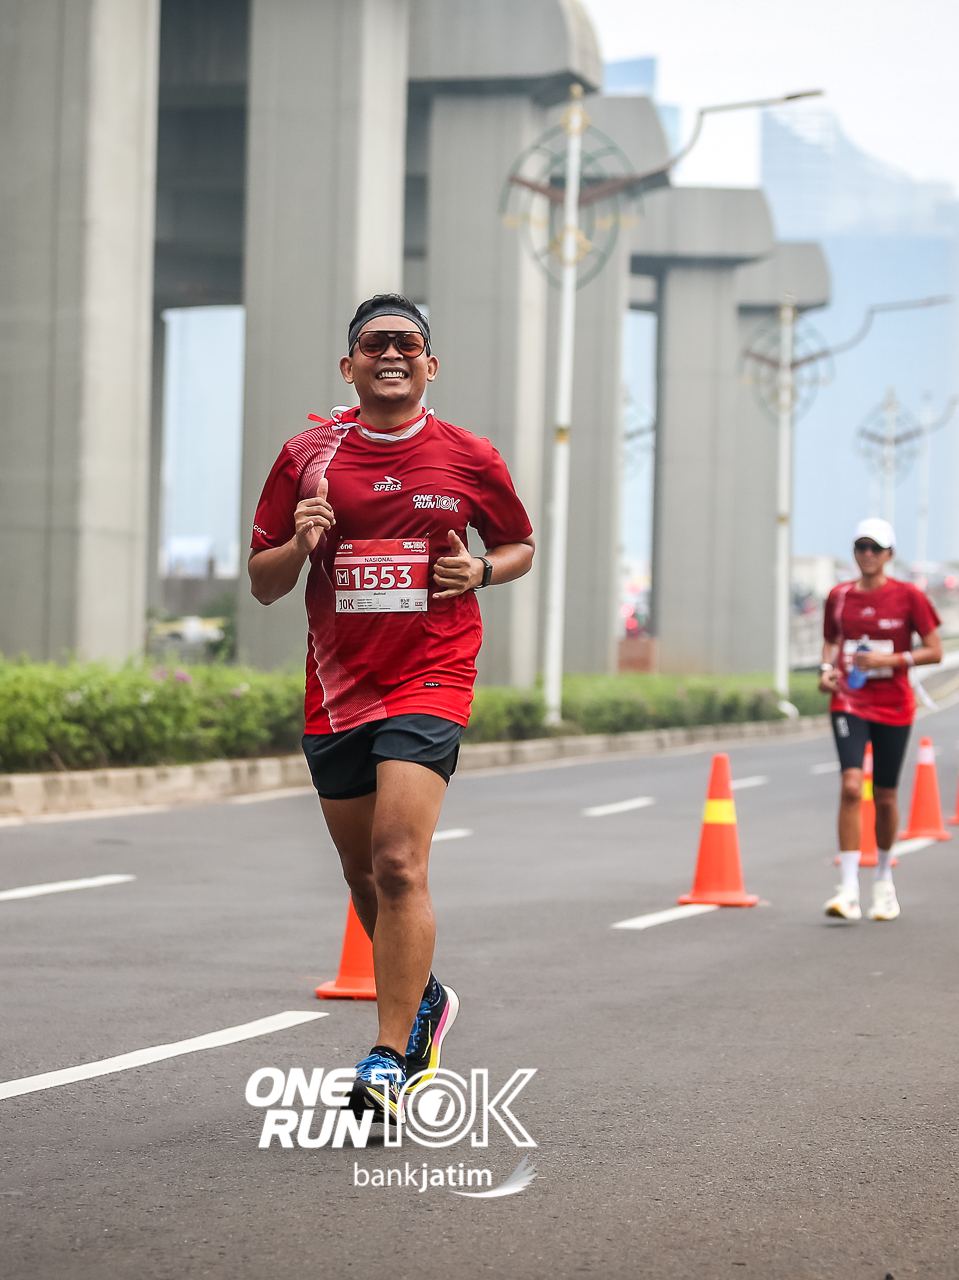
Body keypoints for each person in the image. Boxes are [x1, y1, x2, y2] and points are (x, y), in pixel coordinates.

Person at [248, 294, 534, 1122]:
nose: (392, 353)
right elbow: (263, 583)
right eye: (375, 343)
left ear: (430, 365)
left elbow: (518, 544)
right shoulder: (306, 456)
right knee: (362, 874)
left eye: (408, 342)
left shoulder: (469, 455)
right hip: (339, 688)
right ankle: (427, 996)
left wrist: (482, 572)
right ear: (350, 366)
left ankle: (389, 1051)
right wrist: (299, 544)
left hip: (431, 674)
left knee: (399, 860)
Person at [817, 518, 943, 923]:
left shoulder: (908, 596)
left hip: (894, 705)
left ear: (889, 554)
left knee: (885, 796)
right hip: (849, 701)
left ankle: (884, 879)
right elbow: (831, 641)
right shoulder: (839, 596)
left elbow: (935, 650)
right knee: (851, 787)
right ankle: (847, 888)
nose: (868, 554)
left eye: (875, 548)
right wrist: (826, 670)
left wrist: (890, 659)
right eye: (861, 547)